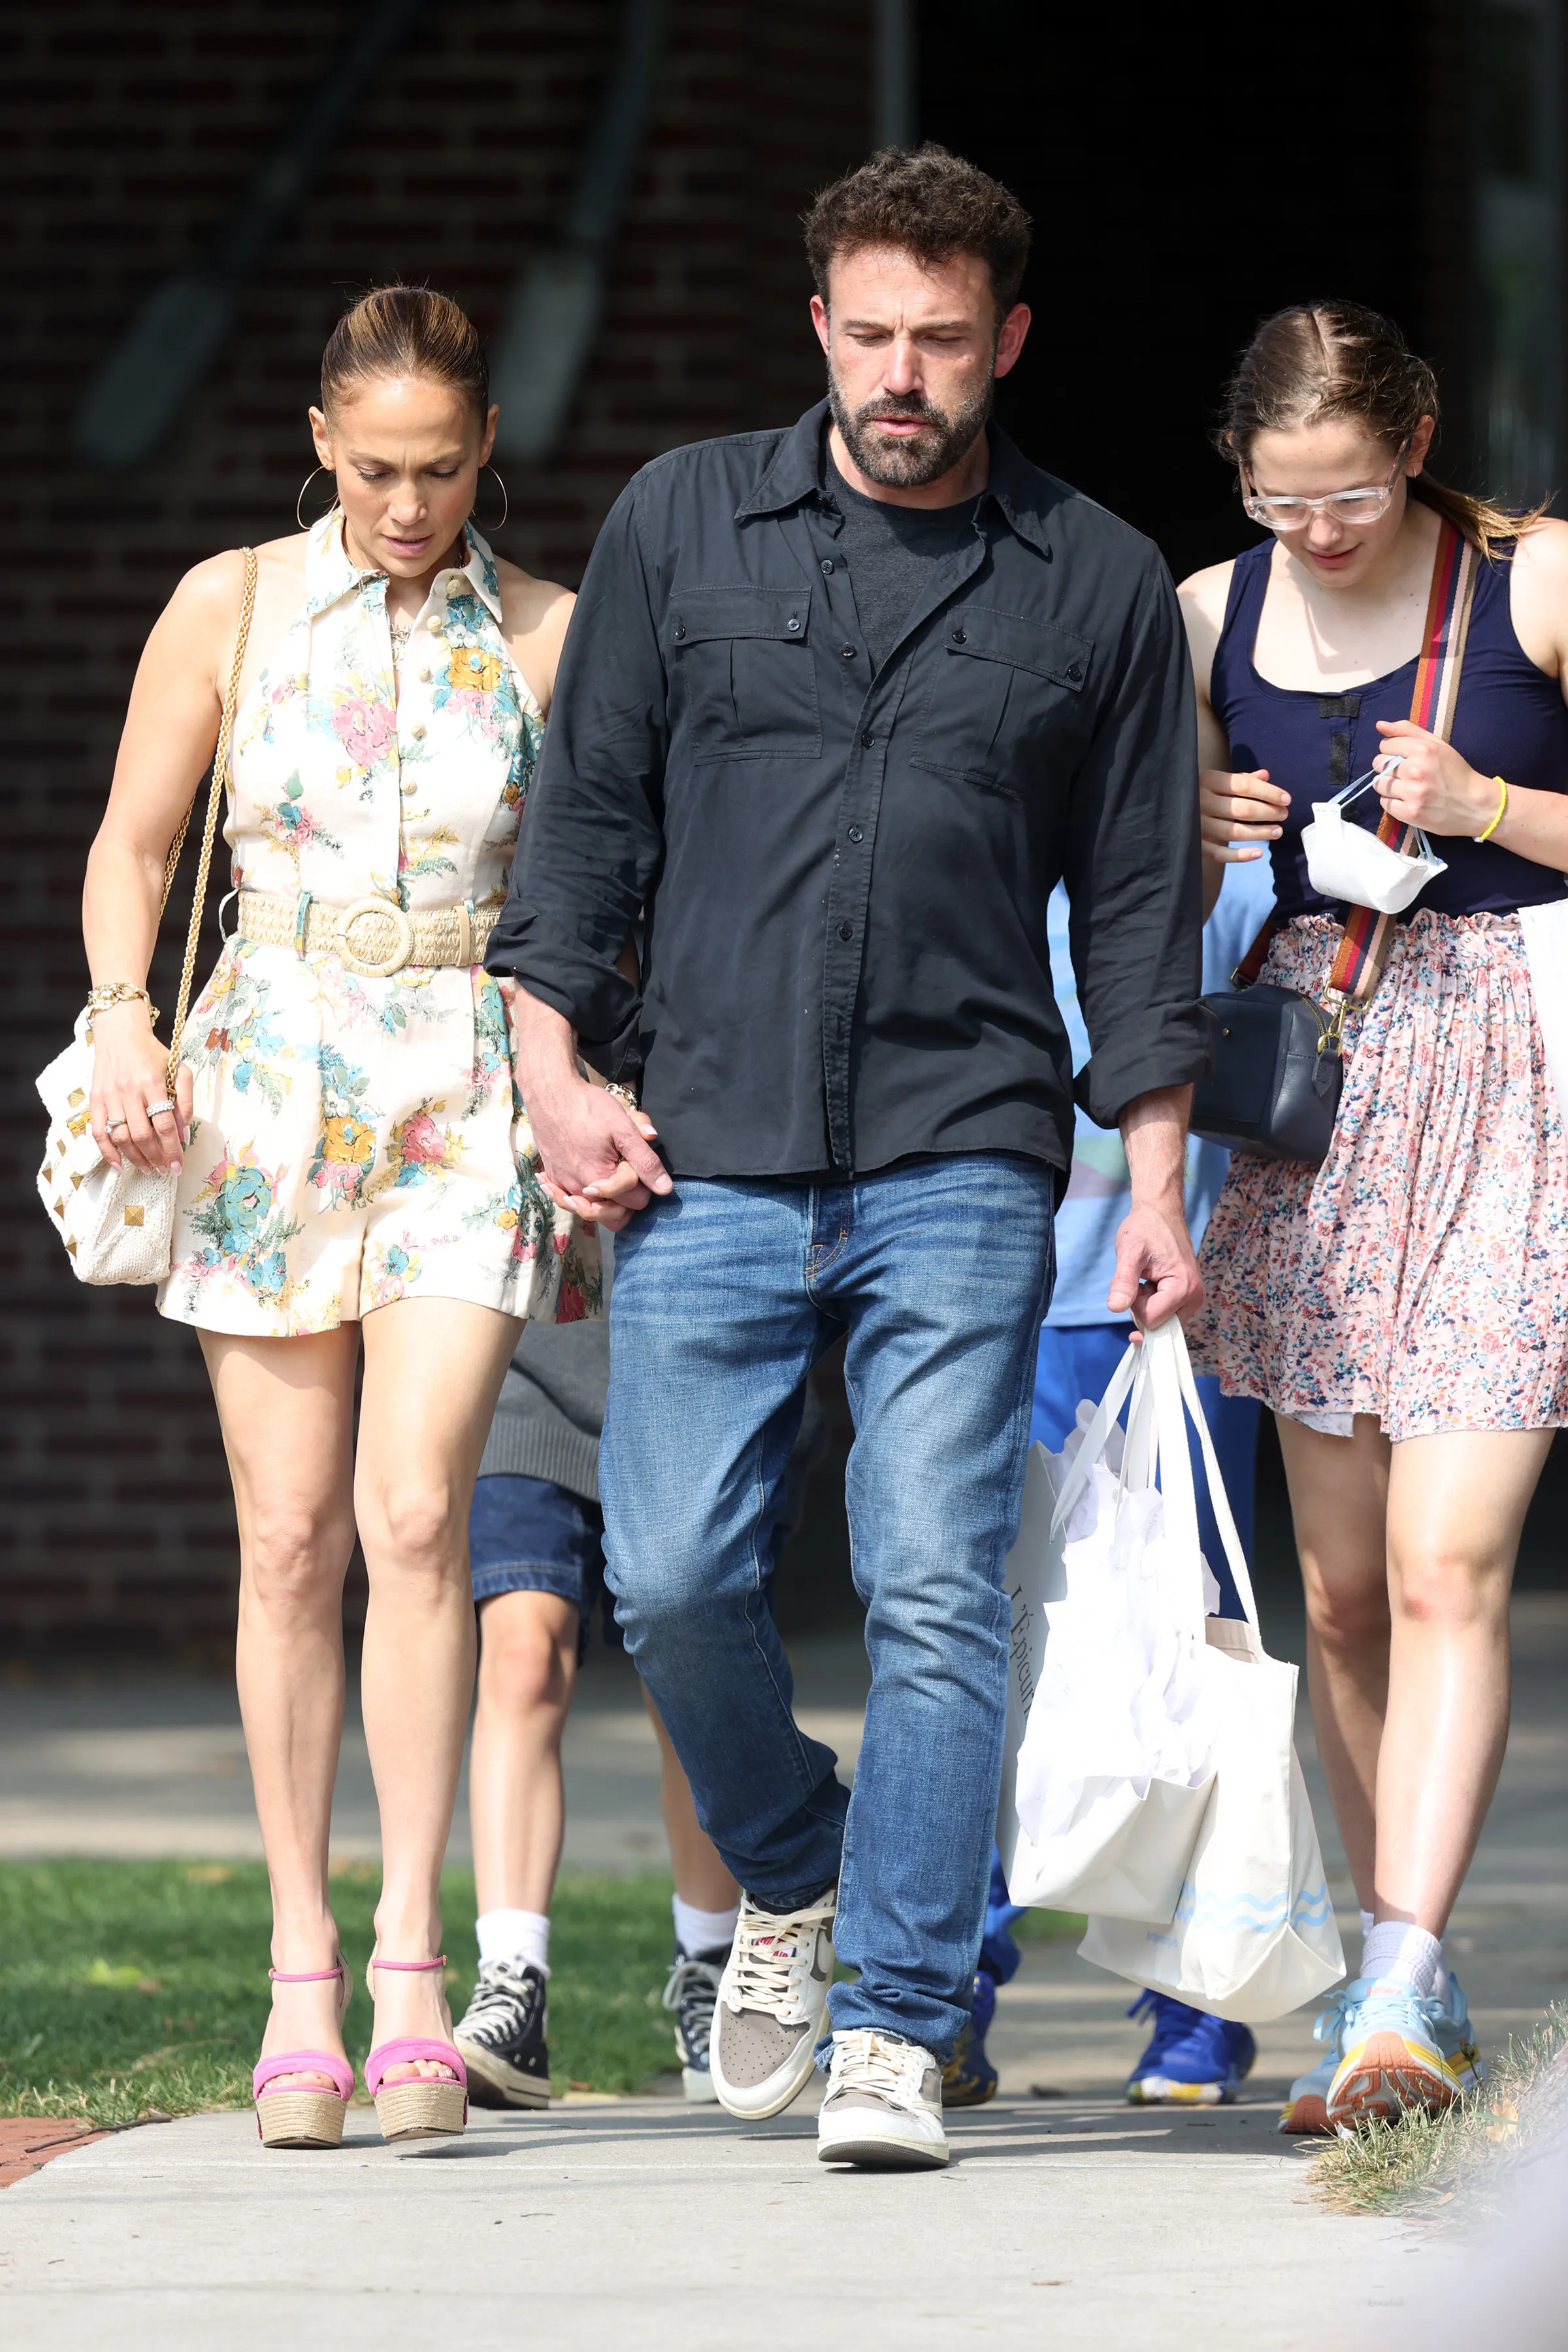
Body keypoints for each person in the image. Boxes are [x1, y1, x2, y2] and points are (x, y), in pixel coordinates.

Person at [487, 143, 1211, 2172]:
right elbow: (584, 832)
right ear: (821, 325)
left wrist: (1152, 1184)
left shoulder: (1096, 582)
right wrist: (555, 1072)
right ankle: (796, 1861)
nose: (906, 376)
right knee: (672, 1573)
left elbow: (1145, 916)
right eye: (873, 335)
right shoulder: (678, 527)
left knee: (930, 1584)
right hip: (700, 1139)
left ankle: (898, 2019)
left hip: (966, 1149)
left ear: (1010, 343)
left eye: (945, 344)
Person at [81, 286, 598, 2149]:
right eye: (375, 469)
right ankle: (298, 1966)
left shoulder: (544, 629)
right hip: (269, 1083)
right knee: (291, 1538)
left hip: (463, 1084)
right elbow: (136, 844)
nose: (407, 503)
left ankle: (409, 1972)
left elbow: (597, 884)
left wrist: (581, 1084)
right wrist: (125, 1015)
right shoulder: (231, 603)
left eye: (442, 469)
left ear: (485, 454)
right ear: (321, 444)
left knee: (415, 1513)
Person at [1183, 301, 1568, 2132]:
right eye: (1278, 505)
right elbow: (1105, 868)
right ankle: (1387, 1953)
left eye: (1344, 495)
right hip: (1311, 1102)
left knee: (1443, 1564)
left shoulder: (1534, 579)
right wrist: (1190, 826)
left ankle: (1400, 1993)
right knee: (1340, 1595)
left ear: (1412, 443)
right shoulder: (1205, 617)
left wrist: (1491, 799)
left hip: (1517, 1092)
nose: (1315, 534)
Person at [945, 857, 1275, 2112]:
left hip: (1179, 1325)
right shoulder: (998, 839)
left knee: (1185, 1652)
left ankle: (1199, 1996)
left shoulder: (1248, 876)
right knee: (977, 1640)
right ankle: (950, 1981)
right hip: (991, 1304)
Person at [450, 1241, 827, 2108]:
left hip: (705, 1348)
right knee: (523, 1652)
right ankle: (513, 1982)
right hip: (525, 1338)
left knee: (688, 1669)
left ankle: (711, 1966)